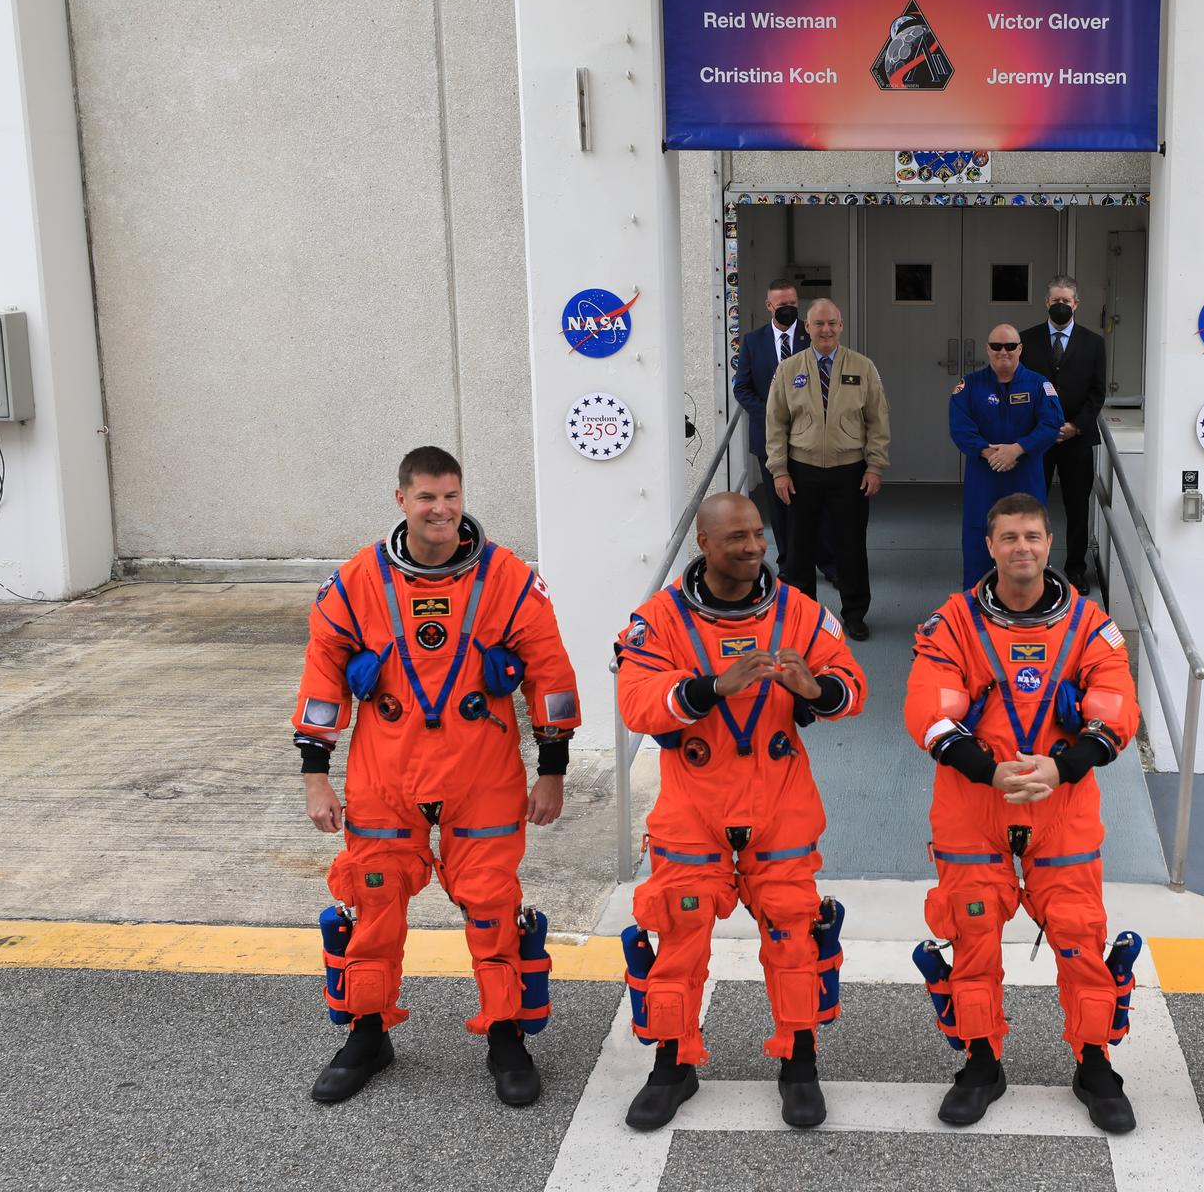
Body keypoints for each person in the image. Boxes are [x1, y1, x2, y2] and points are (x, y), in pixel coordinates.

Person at [293, 446, 581, 1107]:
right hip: (383, 770)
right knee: (373, 901)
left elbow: (550, 674)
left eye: (450, 496)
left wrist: (553, 770)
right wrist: (316, 774)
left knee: (490, 904)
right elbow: (321, 678)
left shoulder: (507, 579)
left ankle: (506, 1035)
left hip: (481, 768)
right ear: (401, 500)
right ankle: (368, 1032)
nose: (440, 509)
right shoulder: (359, 581)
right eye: (426, 497)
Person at [614, 492, 867, 1131]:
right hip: (695, 803)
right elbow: (638, 703)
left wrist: (817, 688)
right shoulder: (661, 620)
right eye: (738, 538)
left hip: (779, 799)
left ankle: (799, 1061)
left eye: (758, 535)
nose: (754, 547)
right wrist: (710, 688)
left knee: (794, 931)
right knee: (678, 929)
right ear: (704, 543)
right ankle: (673, 1065)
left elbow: (852, 688)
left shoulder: (801, 613)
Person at [902, 493, 1143, 1134]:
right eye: (1009, 537)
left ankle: (1095, 1065)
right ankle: (981, 1064)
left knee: (1078, 934)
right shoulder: (951, 623)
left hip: (1060, 803)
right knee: (973, 932)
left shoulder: (1092, 626)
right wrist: (988, 769)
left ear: (1048, 541)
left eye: (1033, 536)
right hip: (974, 801)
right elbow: (929, 710)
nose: (1023, 549)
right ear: (990, 546)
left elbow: (1116, 705)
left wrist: (1063, 767)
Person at [766, 298, 890, 642]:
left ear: (841, 325)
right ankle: (805, 618)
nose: (826, 330)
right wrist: (779, 470)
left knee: (850, 546)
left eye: (832, 323)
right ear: (807, 328)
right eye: (819, 324)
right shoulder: (789, 369)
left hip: (849, 471)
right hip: (800, 470)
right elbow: (775, 423)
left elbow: (878, 421)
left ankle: (854, 615)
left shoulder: (863, 367)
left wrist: (875, 465)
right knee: (799, 548)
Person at [730, 278, 838, 584]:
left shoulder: (814, 333)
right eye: (782, 305)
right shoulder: (752, 341)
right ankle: (790, 564)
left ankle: (829, 563)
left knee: (820, 503)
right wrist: (772, 413)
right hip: (769, 440)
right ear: (769, 306)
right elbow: (742, 388)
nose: (789, 309)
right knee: (780, 506)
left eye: (793, 303)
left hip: (814, 438)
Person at [951, 324, 1064, 589]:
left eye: (1011, 346)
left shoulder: (1039, 385)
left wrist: (1018, 449)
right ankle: (976, 611)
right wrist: (988, 452)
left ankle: (1032, 611)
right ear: (987, 349)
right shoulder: (969, 385)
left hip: (1026, 476)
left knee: (1028, 541)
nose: (1004, 352)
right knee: (980, 540)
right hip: (984, 477)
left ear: (1020, 349)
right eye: (997, 346)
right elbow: (959, 427)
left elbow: (1051, 425)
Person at [1020, 276, 1108, 594]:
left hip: (1077, 439)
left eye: (1066, 301)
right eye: (1055, 300)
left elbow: (1097, 393)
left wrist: (1075, 426)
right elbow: (1020, 388)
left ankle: (1075, 569)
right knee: (1032, 506)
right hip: (1036, 440)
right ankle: (1032, 568)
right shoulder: (1025, 340)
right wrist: (1043, 428)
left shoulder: (1093, 343)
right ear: (1046, 302)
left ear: (1076, 304)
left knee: (1077, 507)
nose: (1061, 306)